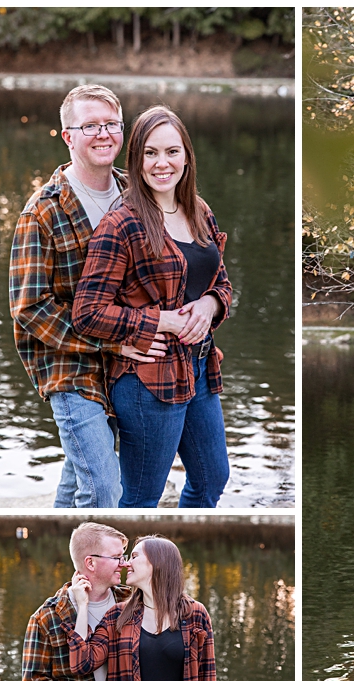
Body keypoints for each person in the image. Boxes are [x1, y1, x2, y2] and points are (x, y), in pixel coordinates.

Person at [9, 85, 166, 508]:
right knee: (101, 487)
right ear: (68, 136)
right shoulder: (43, 211)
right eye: (90, 125)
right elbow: (30, 308)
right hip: (70, 364)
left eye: (111, 124)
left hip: (128, 358)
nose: (103, 134)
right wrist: (113, 340)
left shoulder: (139, 194)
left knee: (79, 479)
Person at [72, 105, 233, 508]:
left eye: (172, 152)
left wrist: (211, 305)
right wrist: (161, 321)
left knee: (213, 478)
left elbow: (222, 283)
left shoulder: (199, 211)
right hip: (148, 377)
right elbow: (87, 312)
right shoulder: (122, 223)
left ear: (187, 156)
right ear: (136, 158)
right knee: (142, 496)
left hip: (198, 366)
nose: (162, 163)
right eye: (150, 153)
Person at [66, 534, 220, 681]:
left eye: (134, 556)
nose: (126, 563)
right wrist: (83, 604)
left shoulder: (195, 615)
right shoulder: (118, 616)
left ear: (157, 563)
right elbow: (81, 663)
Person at [20, 522, 130, 681]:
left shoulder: (131, 602)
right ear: (90, 563)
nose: (123, 564)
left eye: (123, 557)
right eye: (116, 557)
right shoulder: (45, 618)